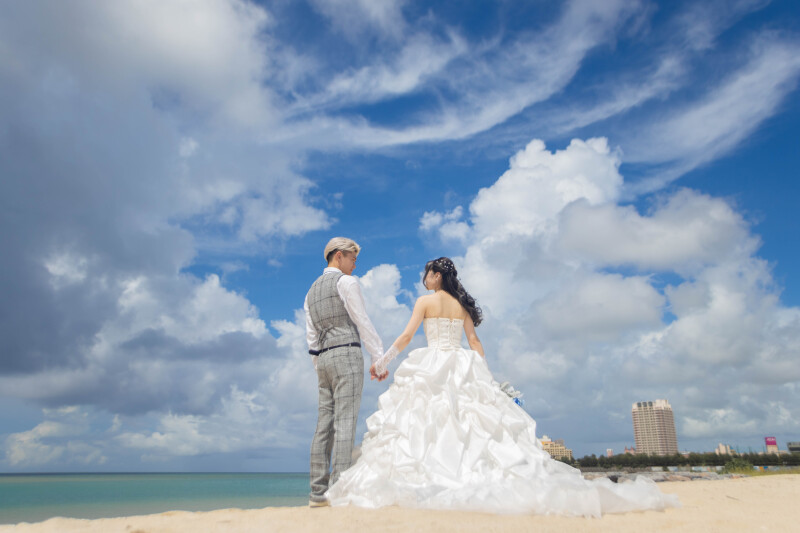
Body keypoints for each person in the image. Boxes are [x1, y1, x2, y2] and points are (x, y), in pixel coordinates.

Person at [326, 257, 679, 516]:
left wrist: (382, 362)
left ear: (436, 275)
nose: (425, 280)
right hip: (463, 363)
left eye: (427, 274)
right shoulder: (462, 306)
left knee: (428, 425)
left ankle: (439, 477)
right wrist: (484, 376)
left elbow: (406, 336)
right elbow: (475, 342)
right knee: (469, 428)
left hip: (432, 361)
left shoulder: (425, 302)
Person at [304, 237, 385, 507]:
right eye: (352, 258)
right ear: (338, 256)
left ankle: (317, 493)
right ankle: (337, 490)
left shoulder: (311, 291)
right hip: (347, 352)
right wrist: (378, 357)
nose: (354, 264)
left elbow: (311, 337)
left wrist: (320, 365)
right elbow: (361, 320)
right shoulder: (346, 282)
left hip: (323, 360)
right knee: (345, 422)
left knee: (323, 425)